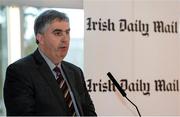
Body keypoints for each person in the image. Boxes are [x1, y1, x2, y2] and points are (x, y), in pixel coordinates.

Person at [3, 9, 97, 116]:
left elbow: (89, 113)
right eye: (58, 33)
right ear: (40, 38)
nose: (65, 39)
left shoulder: (75, 72)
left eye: (67, 32)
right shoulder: (19, 72)